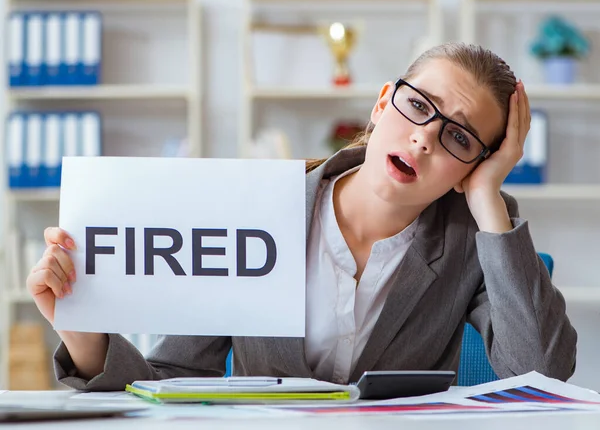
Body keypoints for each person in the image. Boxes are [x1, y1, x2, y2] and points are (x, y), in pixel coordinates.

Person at [27, 43, 577, 391]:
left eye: (458, 136)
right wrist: (86, 339)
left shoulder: (473, 237)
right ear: (384, 102)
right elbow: (175, 377)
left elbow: (541, 371)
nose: (424, 137)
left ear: (474, 164)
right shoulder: (255, 206)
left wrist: (488, 196)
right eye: (417, 105)